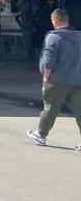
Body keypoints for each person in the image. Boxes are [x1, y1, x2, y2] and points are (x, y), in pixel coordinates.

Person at [26, 8, 81, 149]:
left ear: (54, 21)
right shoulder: (79, 36)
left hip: (58, 80)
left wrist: (46, 78)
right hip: (77, 80)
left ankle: (41, 134)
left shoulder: (53, 37)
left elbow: (48, 60)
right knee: (79, 110)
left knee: (50, 108)